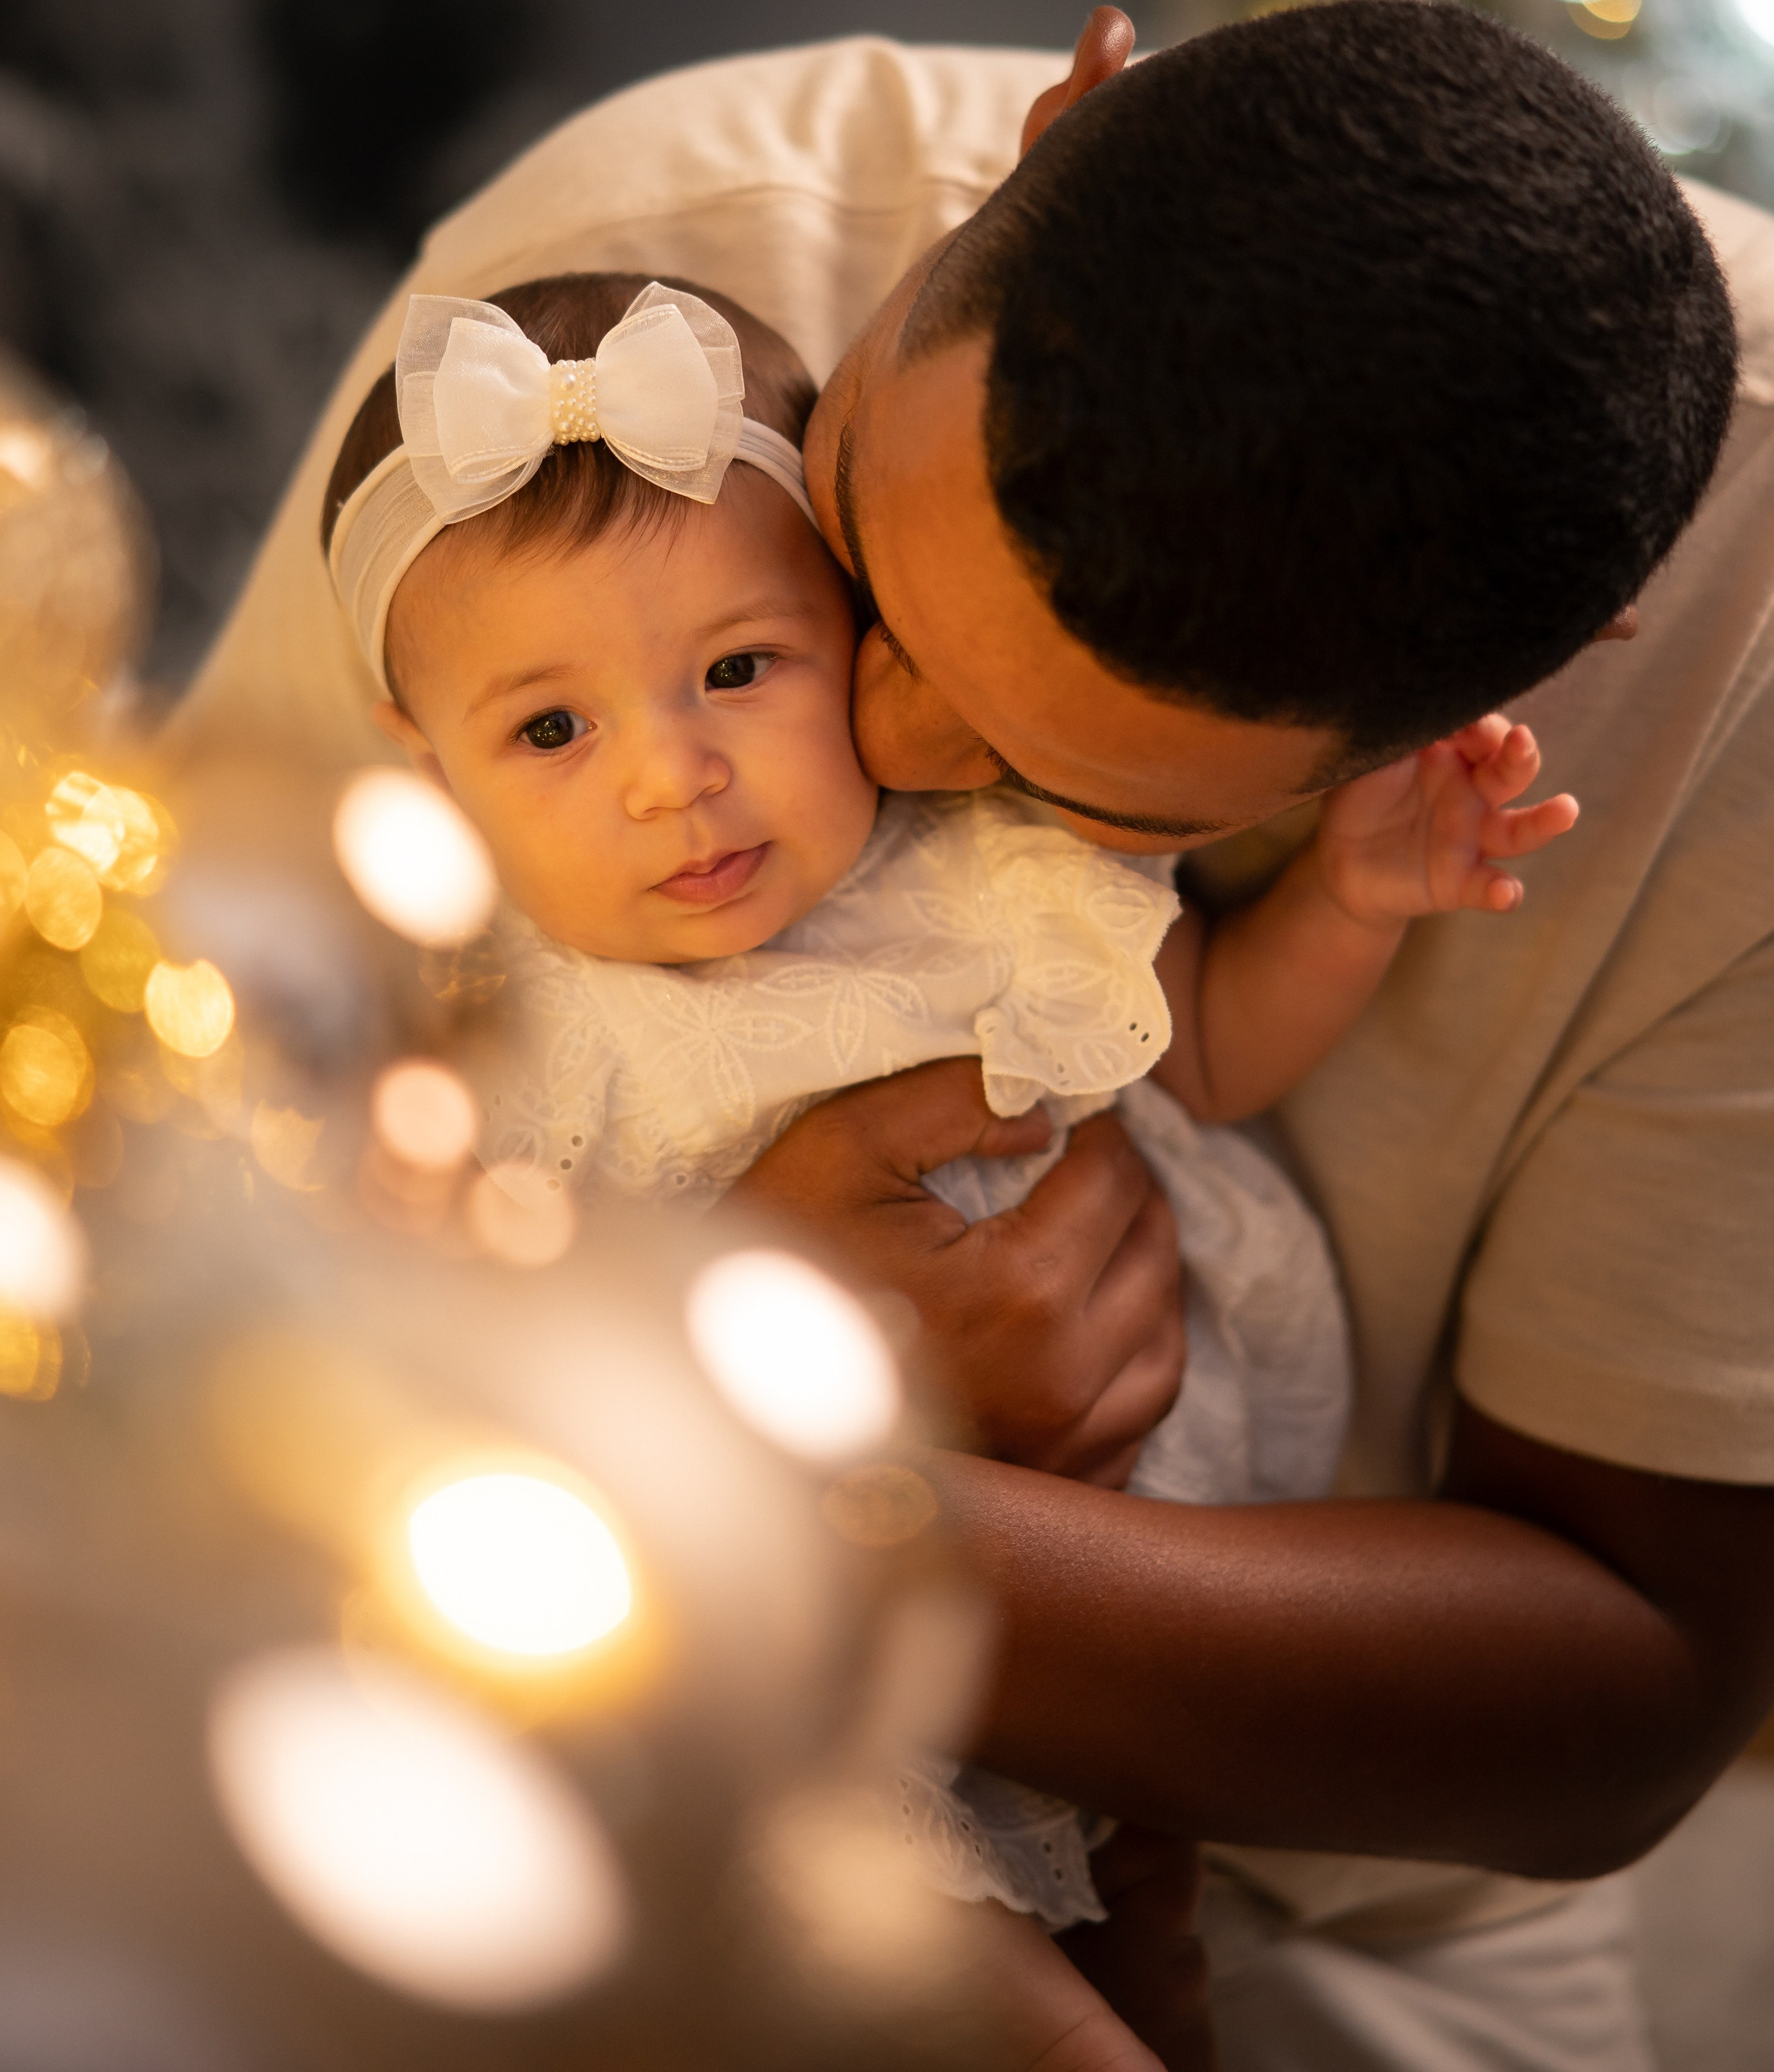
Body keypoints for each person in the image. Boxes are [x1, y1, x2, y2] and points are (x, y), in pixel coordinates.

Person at [175, 0, 1774, 2069]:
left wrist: (800, 1485)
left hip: (1376, 1834)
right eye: (859, 563)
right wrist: (687, 1389)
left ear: (1525, 678)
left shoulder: (1742, 661)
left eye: (1081, 783)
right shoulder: (597, 333)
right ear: (1056, 128)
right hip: (600, 1652)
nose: (884, 743)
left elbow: (1624, 1699)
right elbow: (173, 1208)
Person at [315, 257, 1572, 2068]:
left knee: (1154, 1931)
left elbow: (1202, 1046)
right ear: (428, 782)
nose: (673, 775)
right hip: (789, 1666)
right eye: (551, 729)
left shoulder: (981, 868)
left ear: (865, 644)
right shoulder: (477, 1027)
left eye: (740, 670)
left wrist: (1356, 899)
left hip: (1129, 1609)